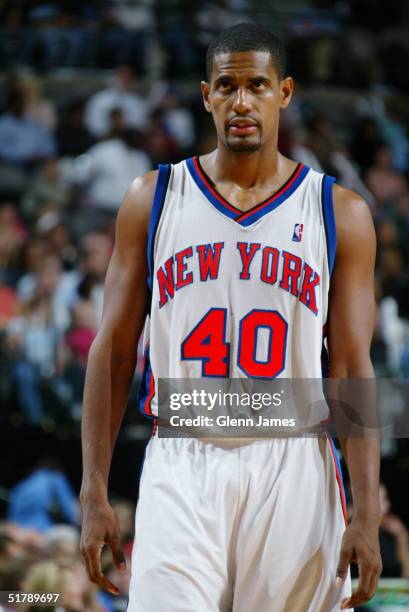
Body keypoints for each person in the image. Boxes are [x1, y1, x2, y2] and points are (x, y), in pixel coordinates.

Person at [80, 23, 382, 611]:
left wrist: (367, 512)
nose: (242, 101)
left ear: (285, 92)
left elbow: (352, 366)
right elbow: (112, 350)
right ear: (206, 95)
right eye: (227, 85)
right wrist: (93, 487)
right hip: (181, 454)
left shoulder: (339, 211)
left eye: (258, 86)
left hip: (294, 462)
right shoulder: (153, 198)